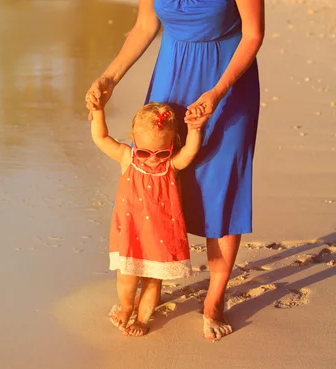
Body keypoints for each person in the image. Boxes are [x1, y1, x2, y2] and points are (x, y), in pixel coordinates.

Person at [85, 0, 264, 340]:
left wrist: (217, 93)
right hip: (172, 72)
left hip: (226, 80)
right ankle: (151, 275)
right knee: (155, 174)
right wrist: (110, 78)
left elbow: (253, 35)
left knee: (220, 184)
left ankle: (214, 300)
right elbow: (145, 26)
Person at [91, 102, 202, 336]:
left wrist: (195, 129)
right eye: (144, 152)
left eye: (161, 152)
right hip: (131, 233)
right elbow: (101, 138)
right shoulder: (127, 158)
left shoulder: (171, 165)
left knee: (153, 281)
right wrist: (99, 111)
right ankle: (126, 307)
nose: (152, 159)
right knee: (127, 278)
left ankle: (142, 319)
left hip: (160, 237)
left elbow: (191, 151)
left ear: (172, 144)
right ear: (133, 139)